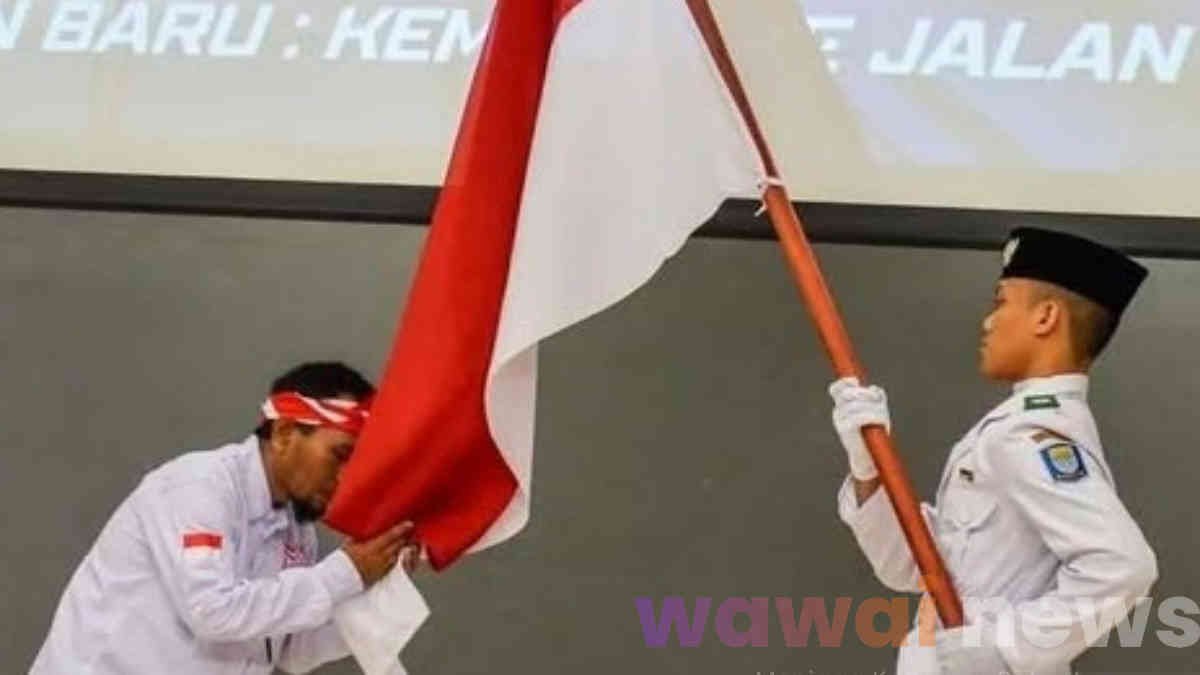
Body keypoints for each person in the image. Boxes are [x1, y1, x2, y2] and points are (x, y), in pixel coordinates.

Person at [830, 228, 1159, 674]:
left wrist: (1005, 649)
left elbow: (1123, 566)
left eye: (1000, 303)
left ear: (1045, 317)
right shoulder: (1013, 428)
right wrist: (869, 470)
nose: (988, 322)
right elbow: (915, 568)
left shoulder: (1028, 436)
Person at [31, 362, 421, 674]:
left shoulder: (297, 531)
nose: (347, 478)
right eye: (340, 455)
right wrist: (346, 572)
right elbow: (212, 611)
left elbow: (291, 651)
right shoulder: (197, 488)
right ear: (284, 433)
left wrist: (376, 586)